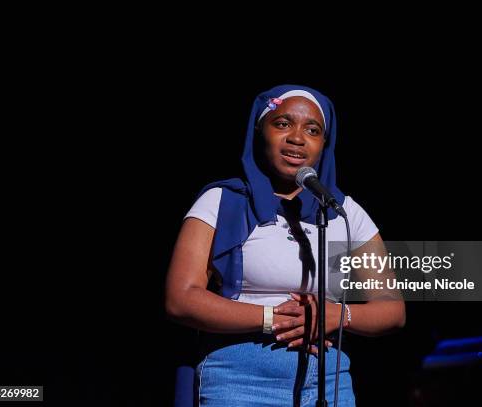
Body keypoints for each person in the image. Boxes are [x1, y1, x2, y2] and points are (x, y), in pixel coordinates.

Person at [166, 85, 405, 406]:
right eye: (282, 124)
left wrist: (338, 315)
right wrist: (275, 318)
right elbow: (181, 299)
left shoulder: (343, 212)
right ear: (259, 131)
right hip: (239, 379)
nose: (297, 137)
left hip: (328, 381)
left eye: (312, 130)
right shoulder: (222, 202)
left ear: (325, 143)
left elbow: (392, 309)